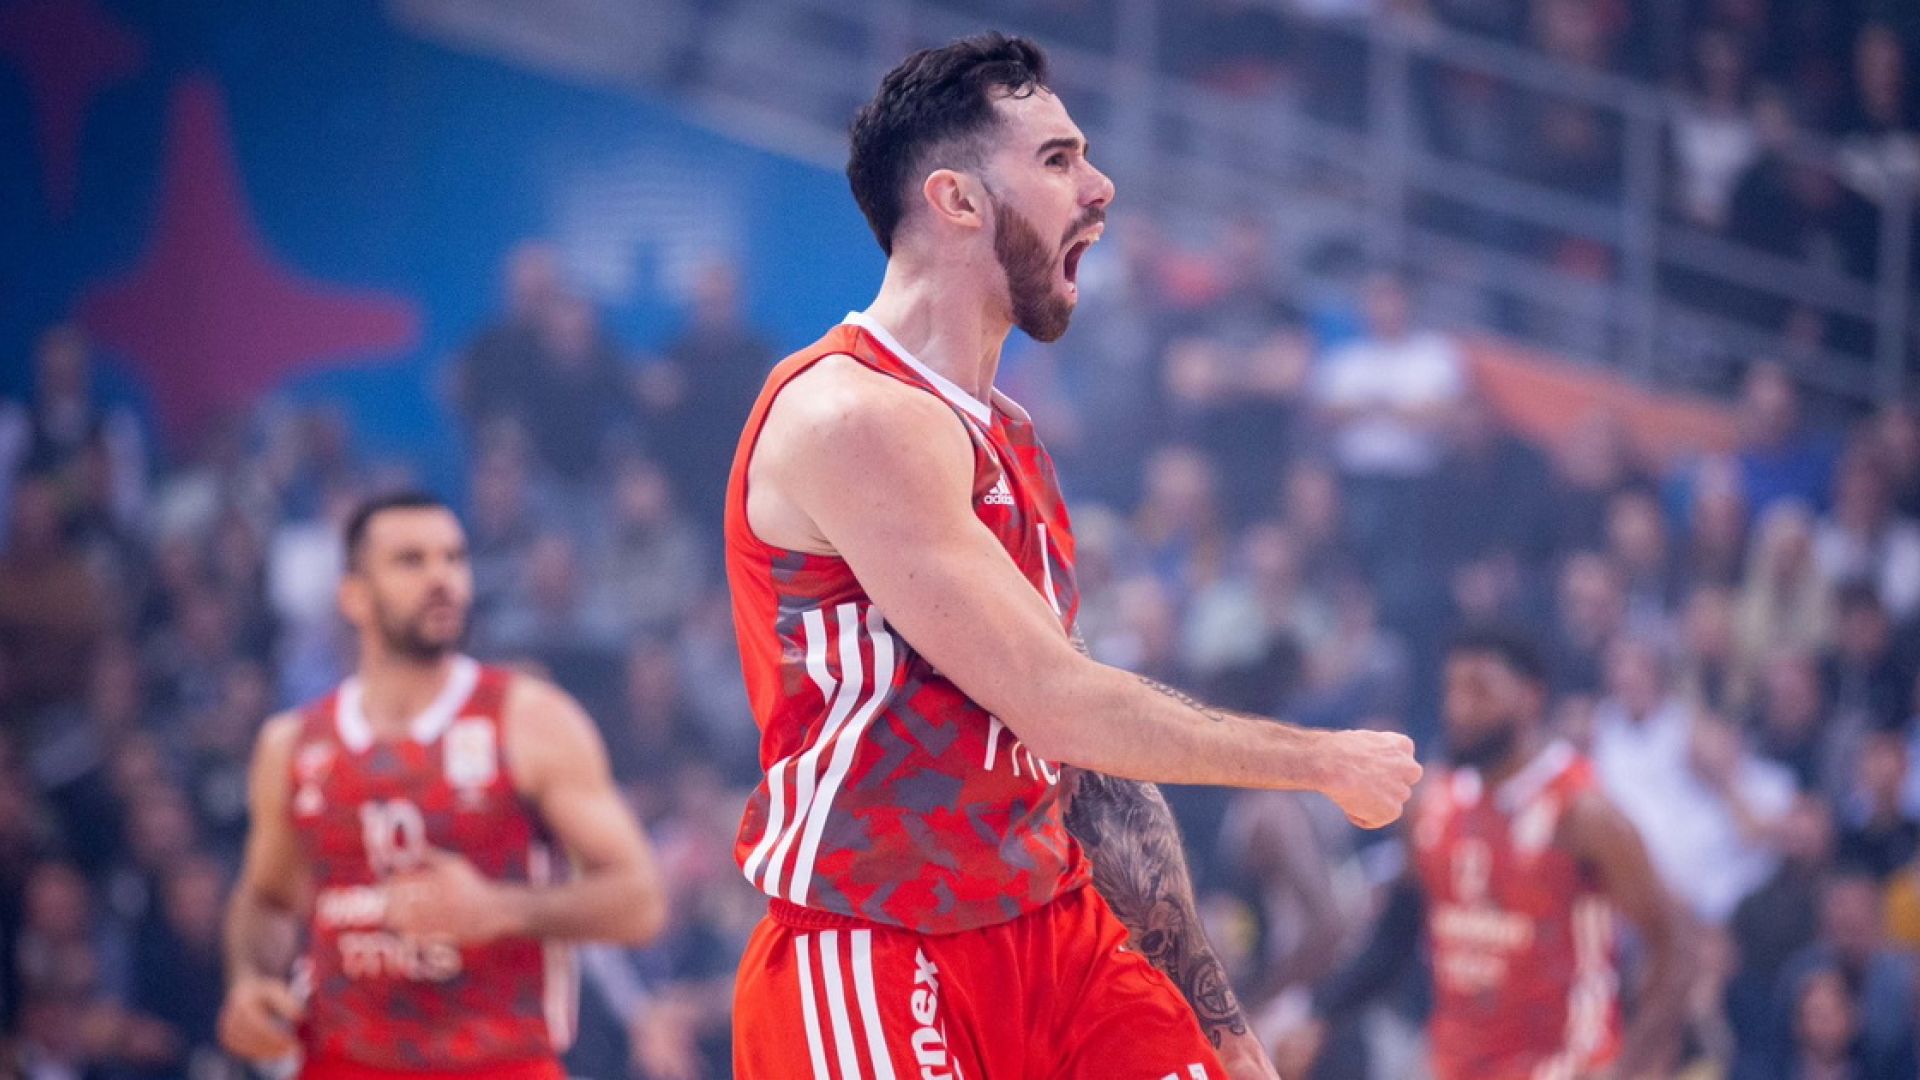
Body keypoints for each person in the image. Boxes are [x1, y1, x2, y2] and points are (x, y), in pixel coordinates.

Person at [724, 33, 1420, 1080]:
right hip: (878, 946)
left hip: (1053, 928)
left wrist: (1223, 1031)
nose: (1101, 187)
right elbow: (1059, 702)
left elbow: (1088, 772)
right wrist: (1320, 760)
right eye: (1058, 160)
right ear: (957, 201)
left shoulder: (1008, 436)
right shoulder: (849, 413)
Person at [216, 492, 667, 1079]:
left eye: (454, 559)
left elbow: (639, 901)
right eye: (411, 561)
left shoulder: (529, 720)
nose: (442, 578)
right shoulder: (293, 744)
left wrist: (500, 908)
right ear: (353, 596)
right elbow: (267, 899)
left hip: (497, 1061)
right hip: (341, 1061)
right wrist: (250, 980)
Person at [1285, 627, 1689, 1079]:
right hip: (1453, 1063)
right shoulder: (1431, 805)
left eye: (1479, 690)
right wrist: (1322, 1015)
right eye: (1452, 690)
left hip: (1565, 1065)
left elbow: (1675, 946)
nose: (1459, 708)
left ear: (1530, 697)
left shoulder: (1584, 813)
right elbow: (1394, 936)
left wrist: (1634, 1064)